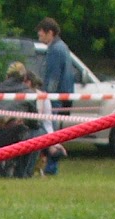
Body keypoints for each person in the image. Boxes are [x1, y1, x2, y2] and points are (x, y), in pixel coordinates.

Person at [0, 61, 38, 179]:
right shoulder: (28, 94)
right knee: (38, 136)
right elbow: (34, 120)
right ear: (24, 77)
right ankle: (22, 174)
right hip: (16, 139)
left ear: (7, 76)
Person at [36, 18, 74, 175]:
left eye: (41, 34)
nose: (39, 37)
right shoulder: (63, 47)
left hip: (55, 99)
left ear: (49, 33)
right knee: (55, 133)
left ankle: (52, 167)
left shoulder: (55, 50)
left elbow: (53, 77)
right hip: (64, 96)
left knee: (50, 133)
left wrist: (47, 96)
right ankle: (50, 166)